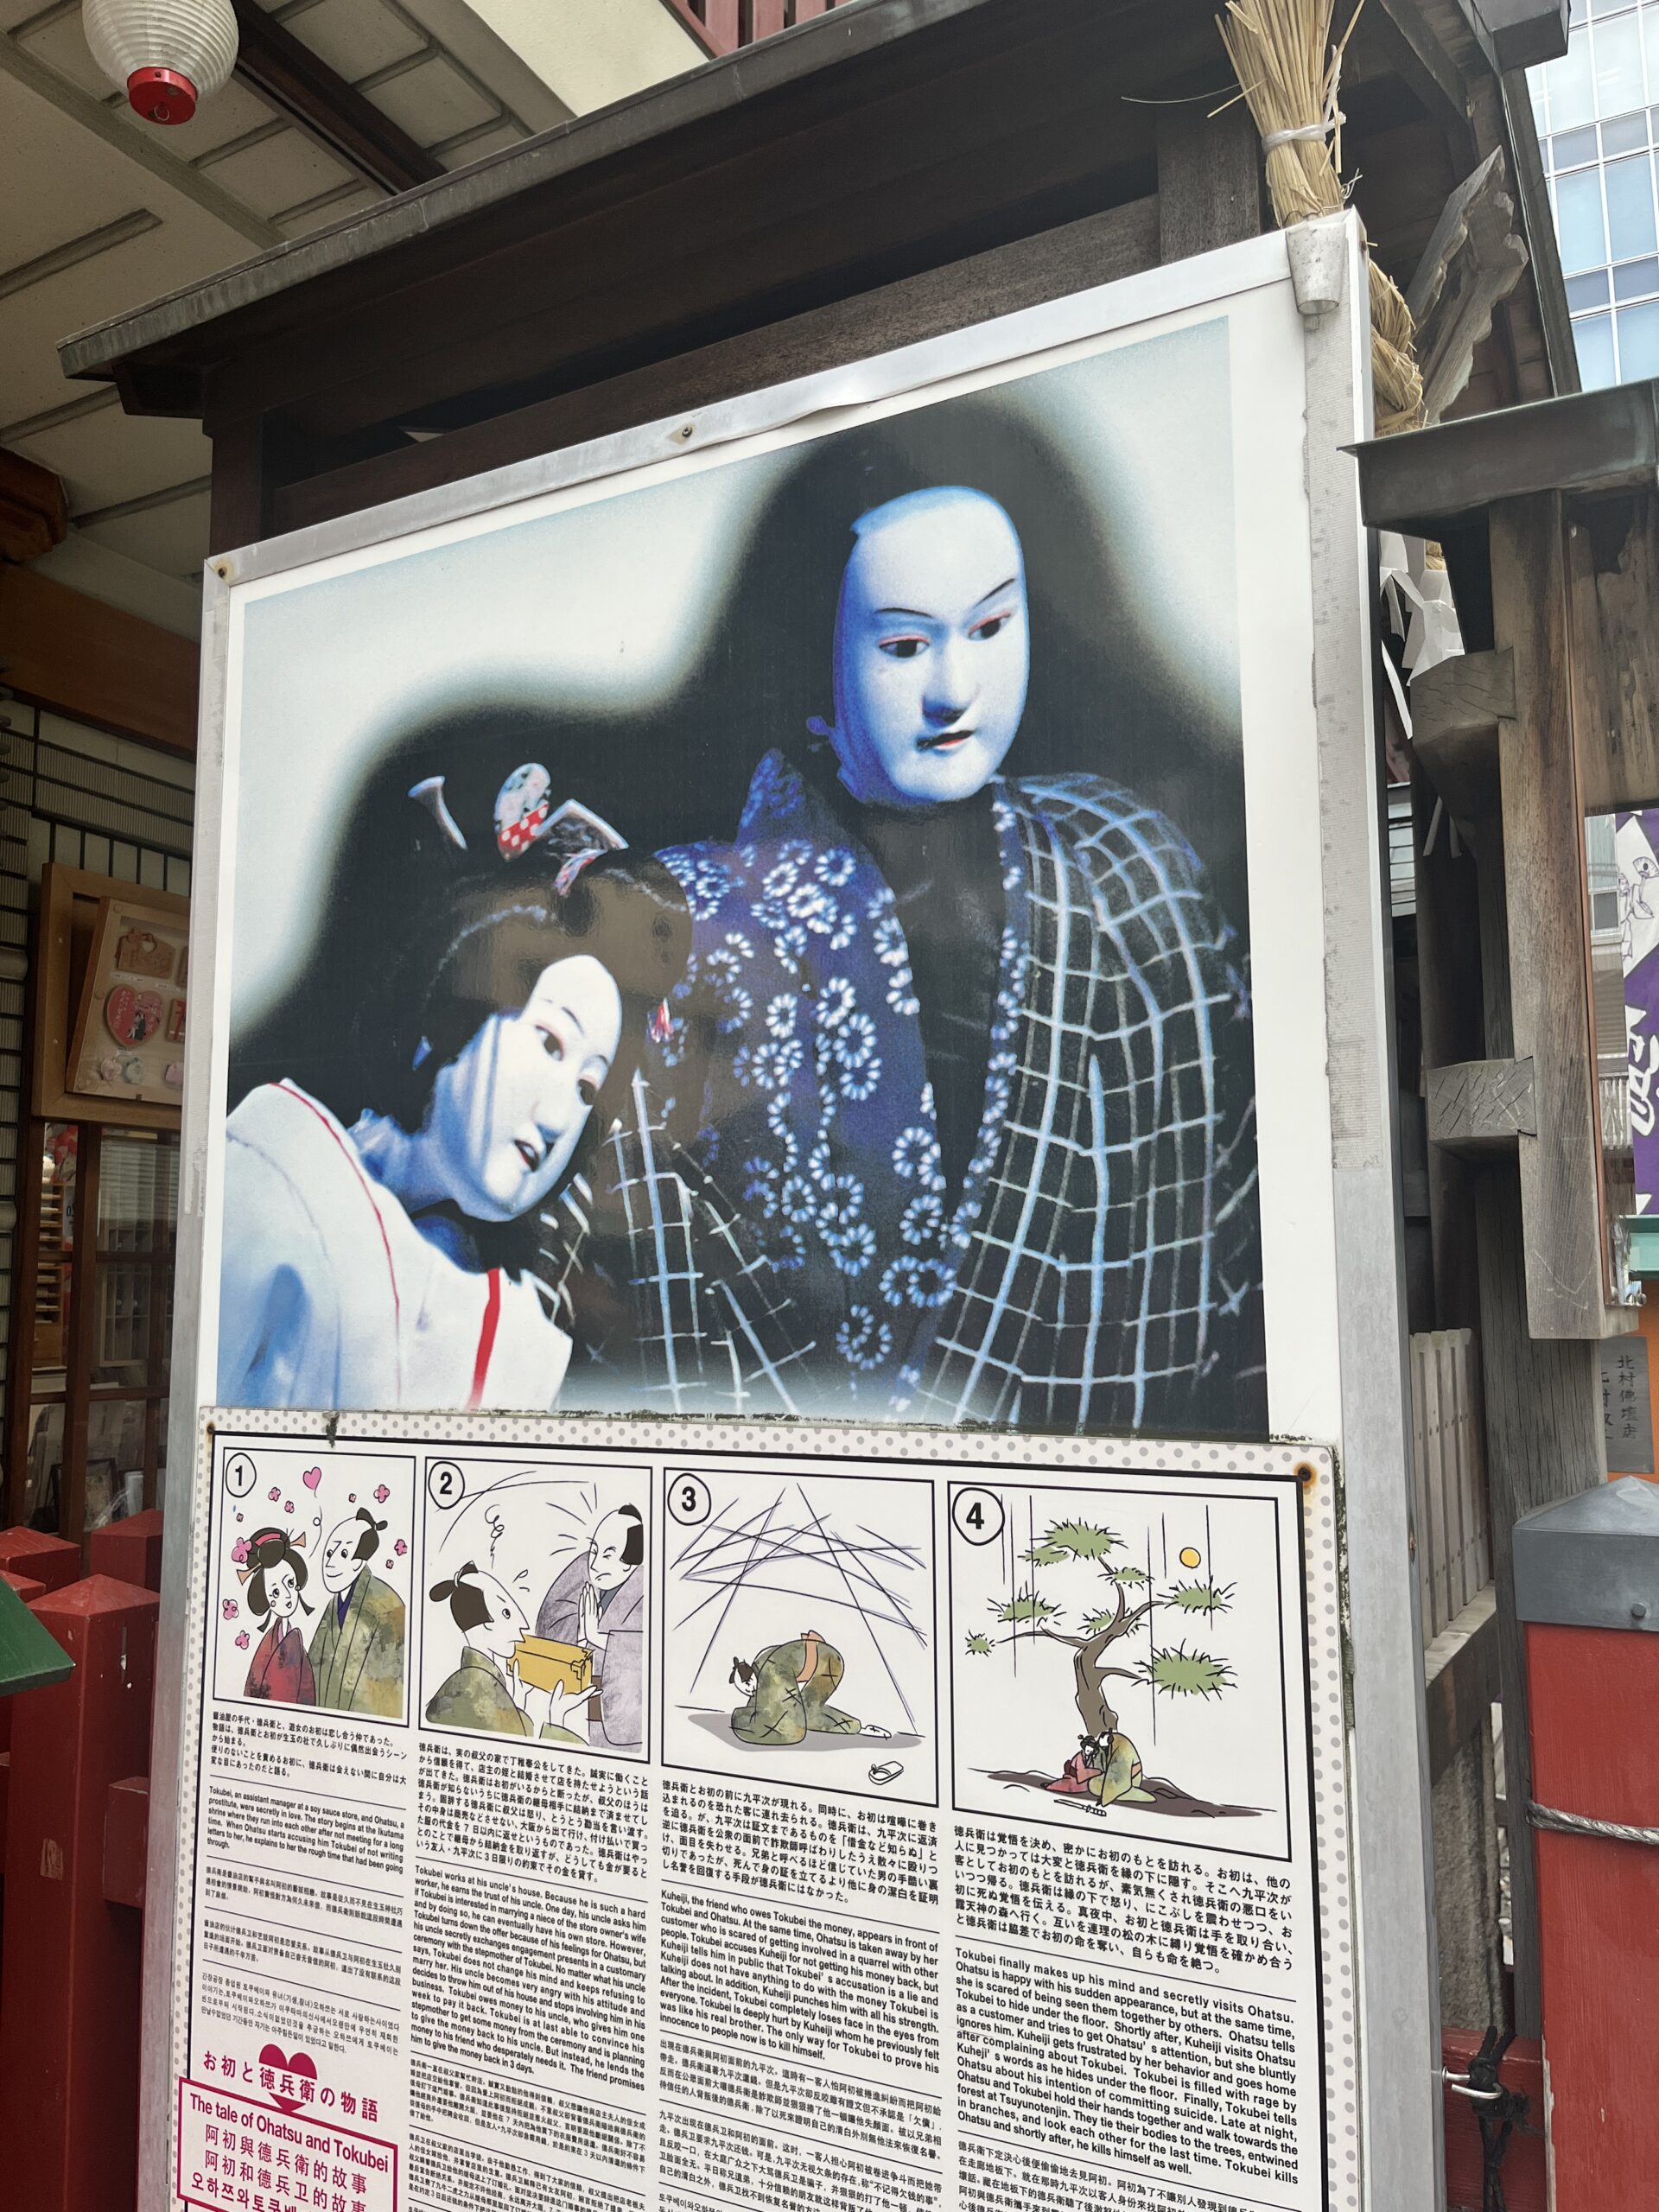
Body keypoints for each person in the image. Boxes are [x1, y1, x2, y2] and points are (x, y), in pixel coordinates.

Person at [649, 455, 1264, 1434]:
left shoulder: (1126, 863)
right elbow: (664, 1286)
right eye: (903, 645)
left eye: (989, 628)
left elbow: (1237, 1216)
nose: (955, 688)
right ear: (817, 655)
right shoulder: (690, 918)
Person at [216, 779, 690, 1414]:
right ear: (454, 1003)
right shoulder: (275, 1177)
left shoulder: (523, 1343)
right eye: (550, 1041)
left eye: (586, 1088)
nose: (558, 1117)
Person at [424, 1561, 587, 1741]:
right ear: (485, 1625)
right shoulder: (476, 1691)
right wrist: (557, 1717)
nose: (523, 1624)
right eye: (506, 1613)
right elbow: (519, 1752)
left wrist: (516, 1705)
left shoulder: (475, 1681)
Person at [535, 1503, 645, 1753]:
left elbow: (648, 1649)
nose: (594, 1564)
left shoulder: (646, 1586)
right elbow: (548, 1621)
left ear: (630, 1563)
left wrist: (597, 1636)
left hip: (623, 1717)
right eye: (594, 1550)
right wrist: (580, 1633)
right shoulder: (582, 1570)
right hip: (575, 1704)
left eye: (608, 1555)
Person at [308, 1507, 406, 1719]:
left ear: (358, 1562)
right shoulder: (334, 1605)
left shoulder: (388, 1607)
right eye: (329, 1553)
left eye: (343, 1554)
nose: (330, 1563)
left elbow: (388, 1691)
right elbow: (313, 1668)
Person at [238, 1527, 316, 1704]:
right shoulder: (271, 1643)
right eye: (275, 1592)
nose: (287, 1595)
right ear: (266, 1598)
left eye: (290, 1583)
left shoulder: (295, 1641)